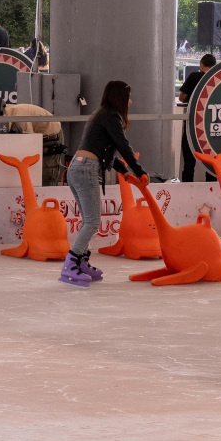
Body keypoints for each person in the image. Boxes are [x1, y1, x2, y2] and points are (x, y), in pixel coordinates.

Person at [61, 80, 146, 287]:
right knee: (92, 222)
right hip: (86, 169)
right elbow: (123, 145)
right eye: (128, 98)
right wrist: (140, 171)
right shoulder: (111, 116)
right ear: (120, 98)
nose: (131, 102)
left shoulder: (101, 114)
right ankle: (70, 265)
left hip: (76, 167)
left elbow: (105, 150)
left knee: (87, 221)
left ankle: (80, 262)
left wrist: (124, 172)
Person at [178, 53, 216, 182]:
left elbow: (182, 97)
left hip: (192, 124)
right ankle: (211, 191)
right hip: (212, 126)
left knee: (189, 163)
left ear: (202, 64)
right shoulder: (216, 78)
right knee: (212, 164)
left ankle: (187, 190)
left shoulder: (194, 76)